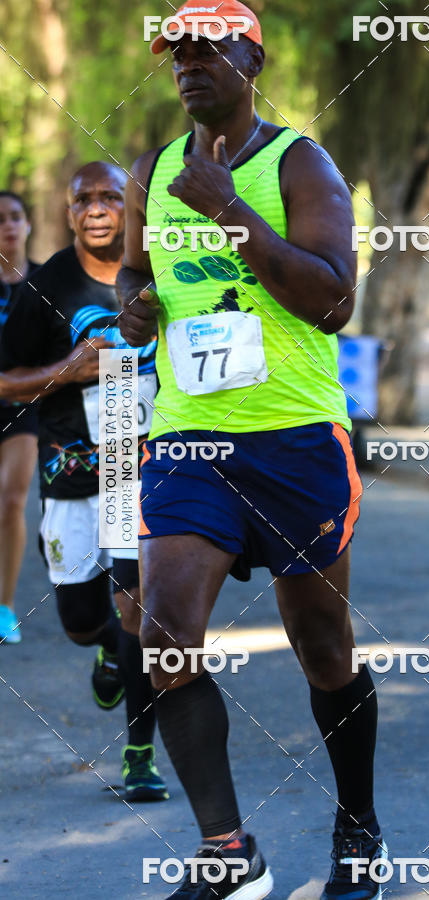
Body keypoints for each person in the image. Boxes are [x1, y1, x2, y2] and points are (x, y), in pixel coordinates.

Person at [117, 3, 383, 898]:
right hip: (190, 439)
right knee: (163, 638)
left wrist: (229, 208)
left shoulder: (298, 164)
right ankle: (230, 852)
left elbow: (333, 300)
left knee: (321, 646)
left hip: (294, 439)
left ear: (252, 58)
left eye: (207, 50)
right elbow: (133, 276)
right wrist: (134, 309)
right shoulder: (156, 170)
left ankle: (358, 828)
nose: (188, 66)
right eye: (176, 53)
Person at [0, 163, 168, 801]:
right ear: (67, 212)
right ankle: (102, 648)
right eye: (83, 199)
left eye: (110, 197)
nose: (97, 209)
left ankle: (139, 757)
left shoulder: (162, 273)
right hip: (69, 469)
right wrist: (68, 372)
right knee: (79, 617)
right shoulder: (44, 286)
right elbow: (4, 381)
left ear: (131, 207)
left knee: (139, 610)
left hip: (141, 467)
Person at [0, 191, 42, 644]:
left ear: (28, 225)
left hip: (24, 410)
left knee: (12, 501)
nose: (8, 227)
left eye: (15, 217)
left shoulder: (47, 283)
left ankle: (5, 607)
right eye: (0, 220)